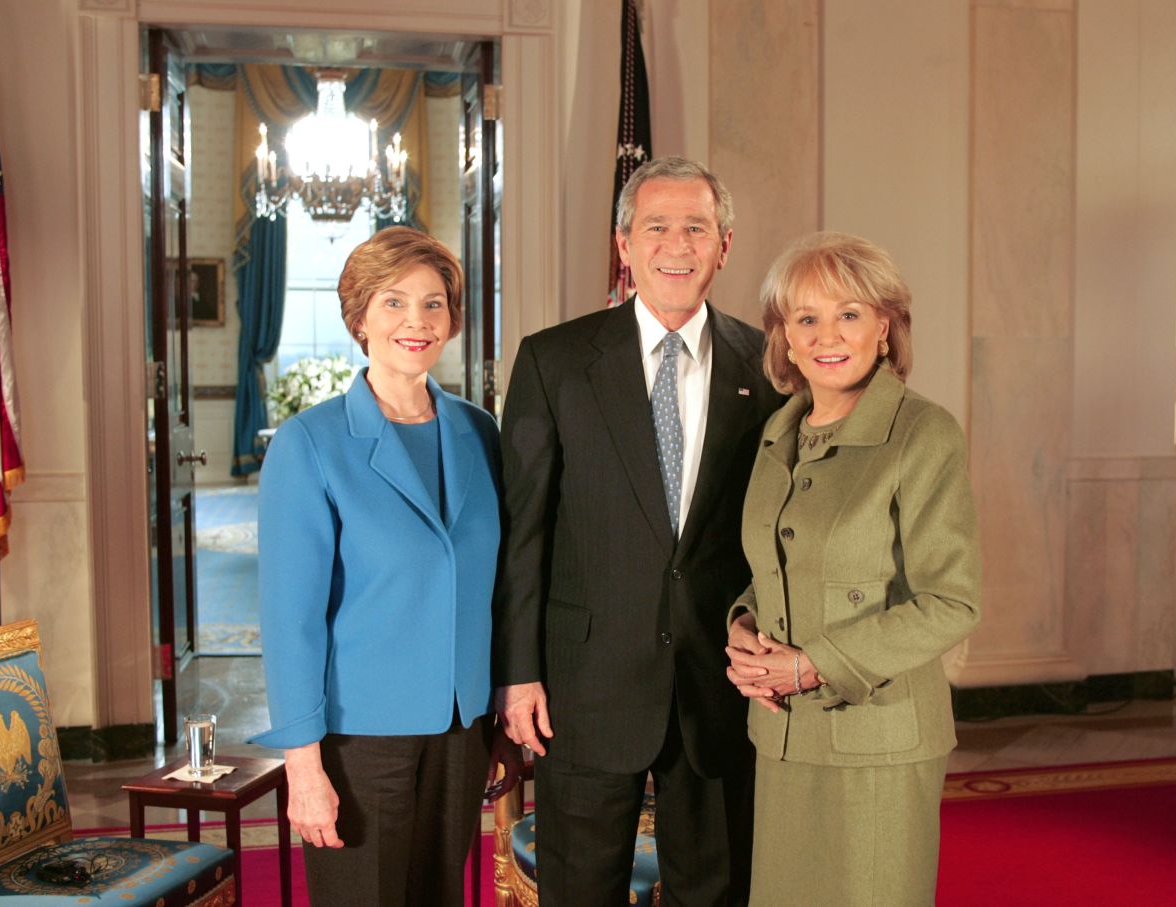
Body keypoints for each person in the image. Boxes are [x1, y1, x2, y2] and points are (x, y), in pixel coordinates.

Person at [495, 156, 785, 906]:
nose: (676, 245)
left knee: (715, 892)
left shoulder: (770, 367)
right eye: (656, 227)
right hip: (583, 692)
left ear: (725, 244)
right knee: (581, 891)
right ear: (624, 244)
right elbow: (522, 532)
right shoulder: (554, 360)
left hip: (716, 688)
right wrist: (519, 672)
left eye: (697, 227)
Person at [250, 226, 519, 906]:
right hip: (358, 738)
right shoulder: (309, 443)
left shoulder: (478, 430)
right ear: (359, 314)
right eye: (394, 302)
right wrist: (303, 768)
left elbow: (498, 589)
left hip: (461, 732)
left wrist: (497, 717)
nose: (416, 321)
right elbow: (292, 623)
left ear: (453, 320)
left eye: (434, 304)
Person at [724, 231, 981, 906]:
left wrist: (811, 665)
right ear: (784, 335)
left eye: (849, 313)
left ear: (885, 327)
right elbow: (775, 564)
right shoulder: (780, 431)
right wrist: (744, 624)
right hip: (782, 736)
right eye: (805, 317)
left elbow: (952, 602)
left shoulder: (924, 434)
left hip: (879, 743)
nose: (826, 334)